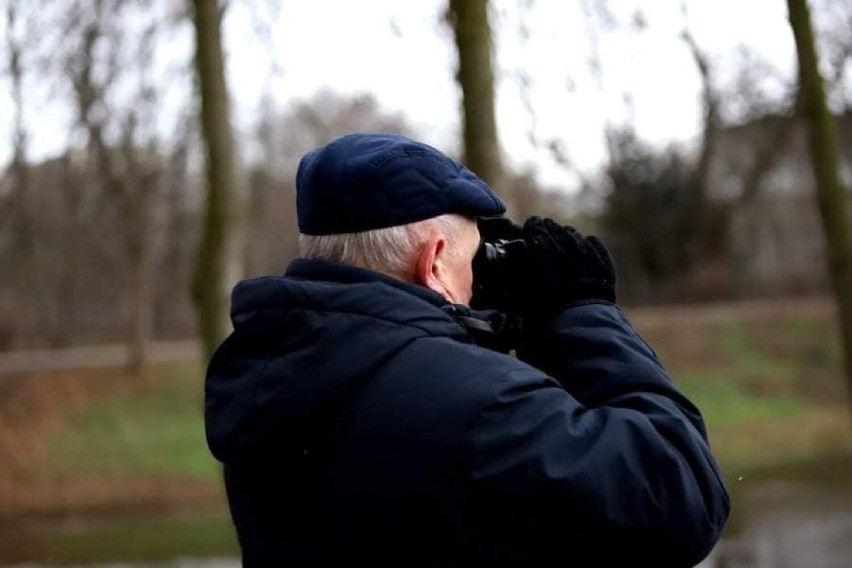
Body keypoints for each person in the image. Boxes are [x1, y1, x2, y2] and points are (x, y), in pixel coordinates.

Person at [205, 132, 730, 566]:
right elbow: (680, 495)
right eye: (473, 258)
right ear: (433, 262)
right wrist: (580, 311)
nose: (478, 278)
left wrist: (486, 327)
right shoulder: (474, 406)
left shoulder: (264, 378)